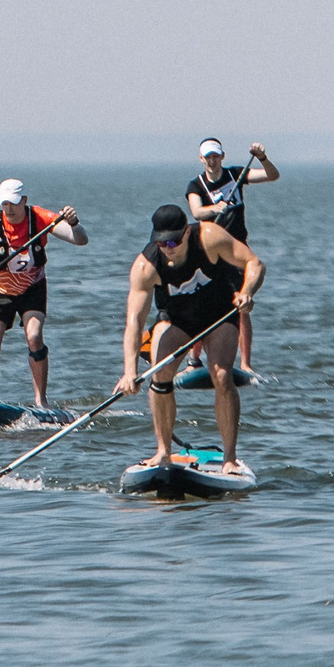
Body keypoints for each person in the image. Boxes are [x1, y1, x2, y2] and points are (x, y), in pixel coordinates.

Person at [115, 203, 264, 476]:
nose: (168, 248)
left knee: (221, 375)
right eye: (161, 243)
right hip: (177, 320)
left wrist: (247, 292)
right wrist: (129, 371)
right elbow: (134, 323)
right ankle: (163, 451)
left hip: (219, 314)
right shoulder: (145, 267)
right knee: (160, 374)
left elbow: (254, 263)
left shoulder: (209, 237)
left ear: (186, 233)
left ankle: (230, 458)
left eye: (173, 241)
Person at [0, 180, 87, 406]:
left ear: (24, 201)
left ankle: (41, 401)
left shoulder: (39, 218)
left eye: (13, 203)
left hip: (32, 288)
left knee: (34, 337)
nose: (9, 209)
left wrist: (74, 223)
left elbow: (80, 240)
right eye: (4, 204)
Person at [184, 138, 279, 370]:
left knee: (242, 305)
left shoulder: (235, 174)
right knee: (203, 304)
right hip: (210, 250)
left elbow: (272, 175)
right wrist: (214, 208)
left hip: (237, 250)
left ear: (222, 157)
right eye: (208, 157)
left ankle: (245, 364)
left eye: (216, 156)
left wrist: (262, 158)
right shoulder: (196, 185)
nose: (212, 161)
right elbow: (196, 211)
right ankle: (194, 360)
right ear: (201, 159)